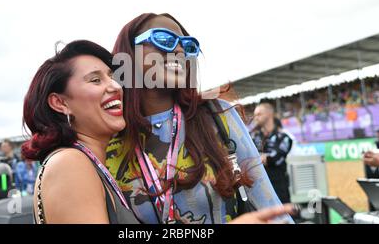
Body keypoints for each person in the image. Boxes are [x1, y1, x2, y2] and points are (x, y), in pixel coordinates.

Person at [107, 13, 295, 224]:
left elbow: (272, 212)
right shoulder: (108, 132)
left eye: (187, 46)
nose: (178, 51)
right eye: (163, 39)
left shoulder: (217, 116)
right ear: (129, 53)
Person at [21, 40, 139, 224]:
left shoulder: (83, 162)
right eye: (95, 80)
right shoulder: (69, 164)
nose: (116, 87)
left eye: (112, 77)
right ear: (60, 103)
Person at [252, 103, 293, 204]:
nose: (255, 118)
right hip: (258, 190)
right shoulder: (252, 137)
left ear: (269, 114)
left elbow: (273, 159)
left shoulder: (283, 137)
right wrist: (260, 158)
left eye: (259, 114)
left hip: (278, 190)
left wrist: (256, 158)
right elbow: (246, 158)